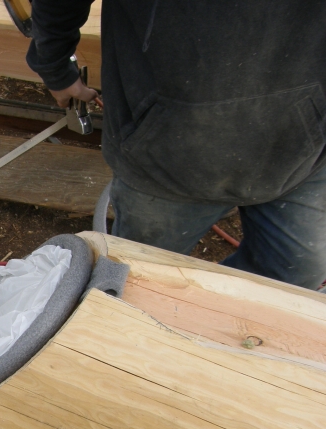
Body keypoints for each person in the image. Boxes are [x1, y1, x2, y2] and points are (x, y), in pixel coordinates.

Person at [26, 0, 326, 290]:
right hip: (163, 159)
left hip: (300, 152)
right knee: (137, 287)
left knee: (291, 280)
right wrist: (55, 63)